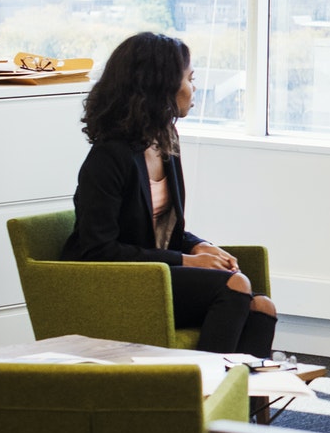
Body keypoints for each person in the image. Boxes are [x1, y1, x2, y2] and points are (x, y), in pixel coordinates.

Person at [63, 31, 278, 357]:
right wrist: (186, 259)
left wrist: (196, 244)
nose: (194, 89)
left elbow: (159, 226)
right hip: (113, 283)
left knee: (262, 306)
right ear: (160, 87)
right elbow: (99, 249)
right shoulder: (109, 157)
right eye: (190, 79)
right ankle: (199, 395)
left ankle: (234, 405)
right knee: (236, 286)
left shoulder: (166, 140)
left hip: (155, 277)